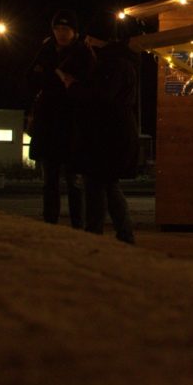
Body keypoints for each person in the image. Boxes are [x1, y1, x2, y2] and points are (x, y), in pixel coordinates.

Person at [60, 13, 137, 244]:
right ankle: (122, 235)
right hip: (113, 132)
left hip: (105, 134)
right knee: (108, 184)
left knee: (96, 184)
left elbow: (101, 97)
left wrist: (72, 86)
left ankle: (97, 234)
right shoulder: (122, 60)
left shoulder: (111, 63)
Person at [26, 9, 94, 227]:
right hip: (48, 123)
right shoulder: (45, 50)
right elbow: (31, 79)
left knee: (74, 180)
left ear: (74, 31)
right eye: (58, 28)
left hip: (72, 123)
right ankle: (50, 222)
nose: (61, 33)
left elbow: (86, 85)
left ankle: (78, 225)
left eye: (66, 29)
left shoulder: (83, 53)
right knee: (50, 180)